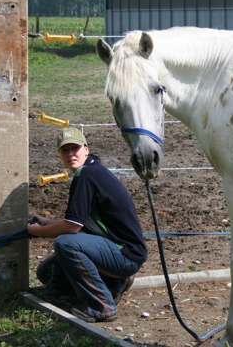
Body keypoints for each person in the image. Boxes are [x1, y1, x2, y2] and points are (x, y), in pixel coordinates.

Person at [28, 127, 148, 323]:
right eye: (64, 150)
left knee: (66, 243)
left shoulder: (85, 176)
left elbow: (72, 227)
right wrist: (49, 223)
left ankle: (101, 306)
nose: (70, 154)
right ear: (59, 154)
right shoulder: (93, 171)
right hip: (122, 252)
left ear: (86, 149)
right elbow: (78, 222)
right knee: (48, 273)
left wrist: (38, 231)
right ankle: (114, 283)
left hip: (125, 255)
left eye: (74, 148)